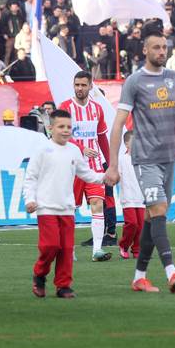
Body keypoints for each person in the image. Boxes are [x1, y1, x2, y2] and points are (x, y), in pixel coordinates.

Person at [104, 29, 175, 293]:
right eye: (155, 47)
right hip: (145, 158)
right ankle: (171, 271)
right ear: (145, 50)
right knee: (157, 211)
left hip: (169, 158)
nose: (161, 51)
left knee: (152, 217)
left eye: (163, 47)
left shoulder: (174, 79)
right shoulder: (134, 82)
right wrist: (112, 165)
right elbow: (118, 125)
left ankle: (139, 277)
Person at [24, 109, 108, 299]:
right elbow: (30, 178)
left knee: (66, 249)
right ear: (50, 128)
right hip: (46, 208)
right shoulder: (42, 150)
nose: (65, 130)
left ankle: (63, 286)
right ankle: (39, 274)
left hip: (67, 209)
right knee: (50, 246)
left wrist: (105, 178)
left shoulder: (74, 150)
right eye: (61, 126)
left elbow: (86, 173)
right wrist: (30, 199)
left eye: (69, 127)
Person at [60, 71, 112, 262]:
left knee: (98, 204)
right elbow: (61, 135)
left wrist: (110, 163)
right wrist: (81, 148)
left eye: (83, 85)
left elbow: (102, 138)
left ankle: (97, 250)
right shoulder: (65, 107)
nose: (79, 88)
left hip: (94, 167)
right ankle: (68, 249)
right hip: (71, 167)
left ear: (91, 86)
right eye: (77, 85)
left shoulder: (97, 109)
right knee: (69, 209)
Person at [117, 134, 145, 261]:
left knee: (141, 226)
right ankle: (123, 245)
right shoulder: (122, 159)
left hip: (141, 198)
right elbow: (117, 176)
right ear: (126, 144)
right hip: (128, 197)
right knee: (132, 224)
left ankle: (137, 250)